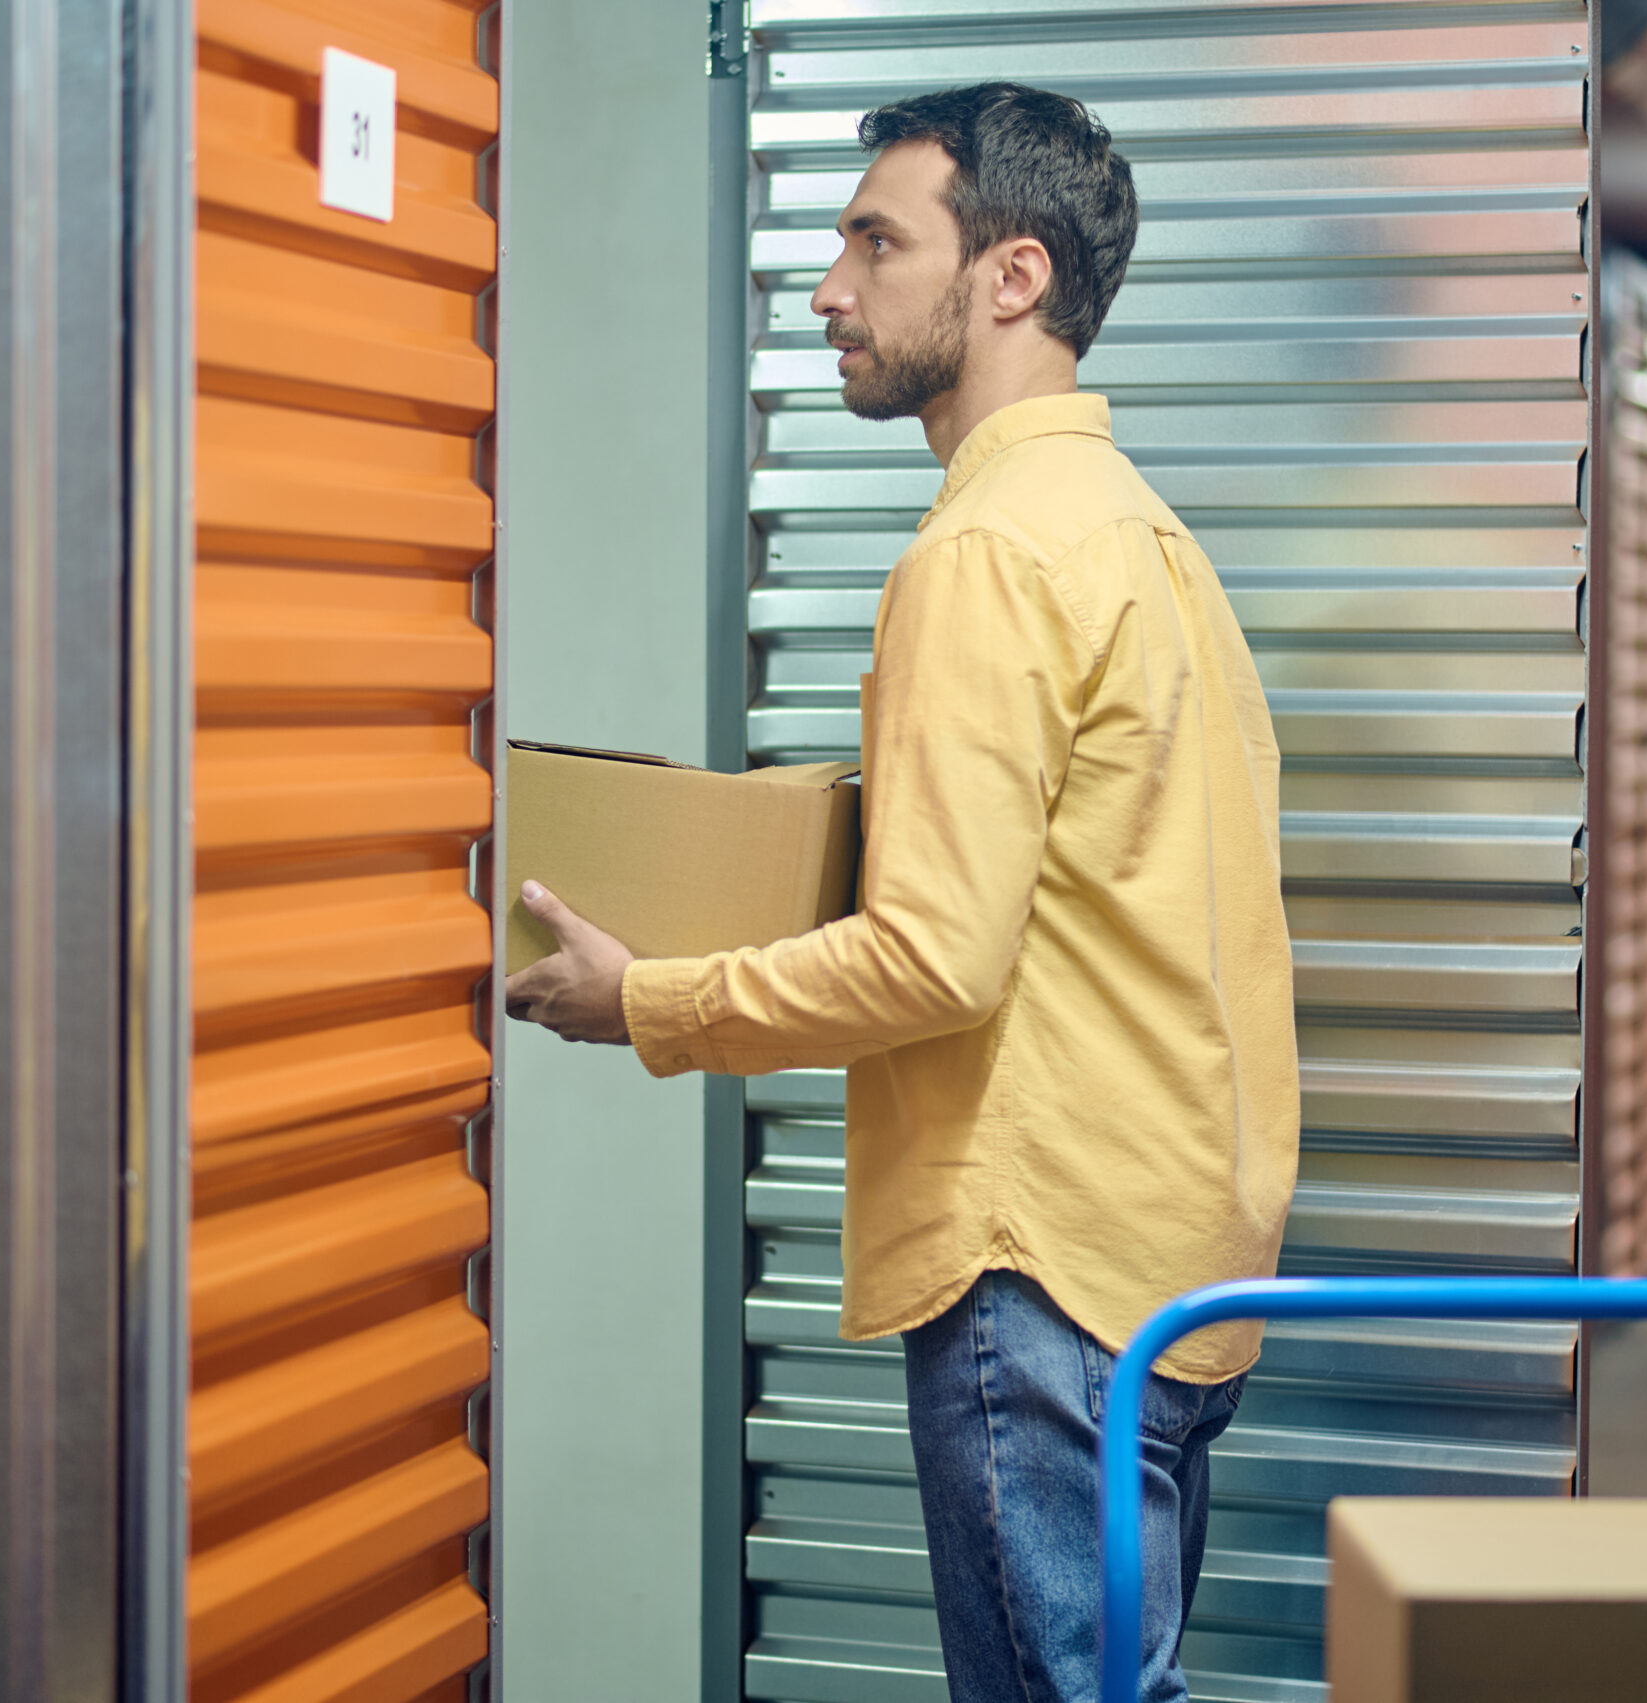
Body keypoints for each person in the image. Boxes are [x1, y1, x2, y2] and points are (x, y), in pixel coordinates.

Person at [506, 82, 1298, 1703]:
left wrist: (638, 1001)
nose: (827, 287)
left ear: (1010, 278)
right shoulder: (1145, 541)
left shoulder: (987, 554)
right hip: (1175, 1265)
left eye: (877, 239)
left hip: (1045, 1276)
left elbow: (938, 960)